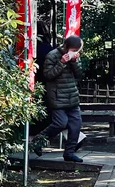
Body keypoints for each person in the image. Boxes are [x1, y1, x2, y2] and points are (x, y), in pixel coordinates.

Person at [37, 35, 87, 163]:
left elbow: (79, 75)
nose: (75, 52)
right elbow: (48, 75)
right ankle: (38, 141)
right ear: (66, 47)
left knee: (76, 125)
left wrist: (75, 62)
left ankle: (69, 153)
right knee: (60, 123)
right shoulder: (52, 55)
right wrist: (62, 63)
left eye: (77, 50)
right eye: (73, 50)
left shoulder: (75, 57)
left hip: (72, 96)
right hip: (57, 96)